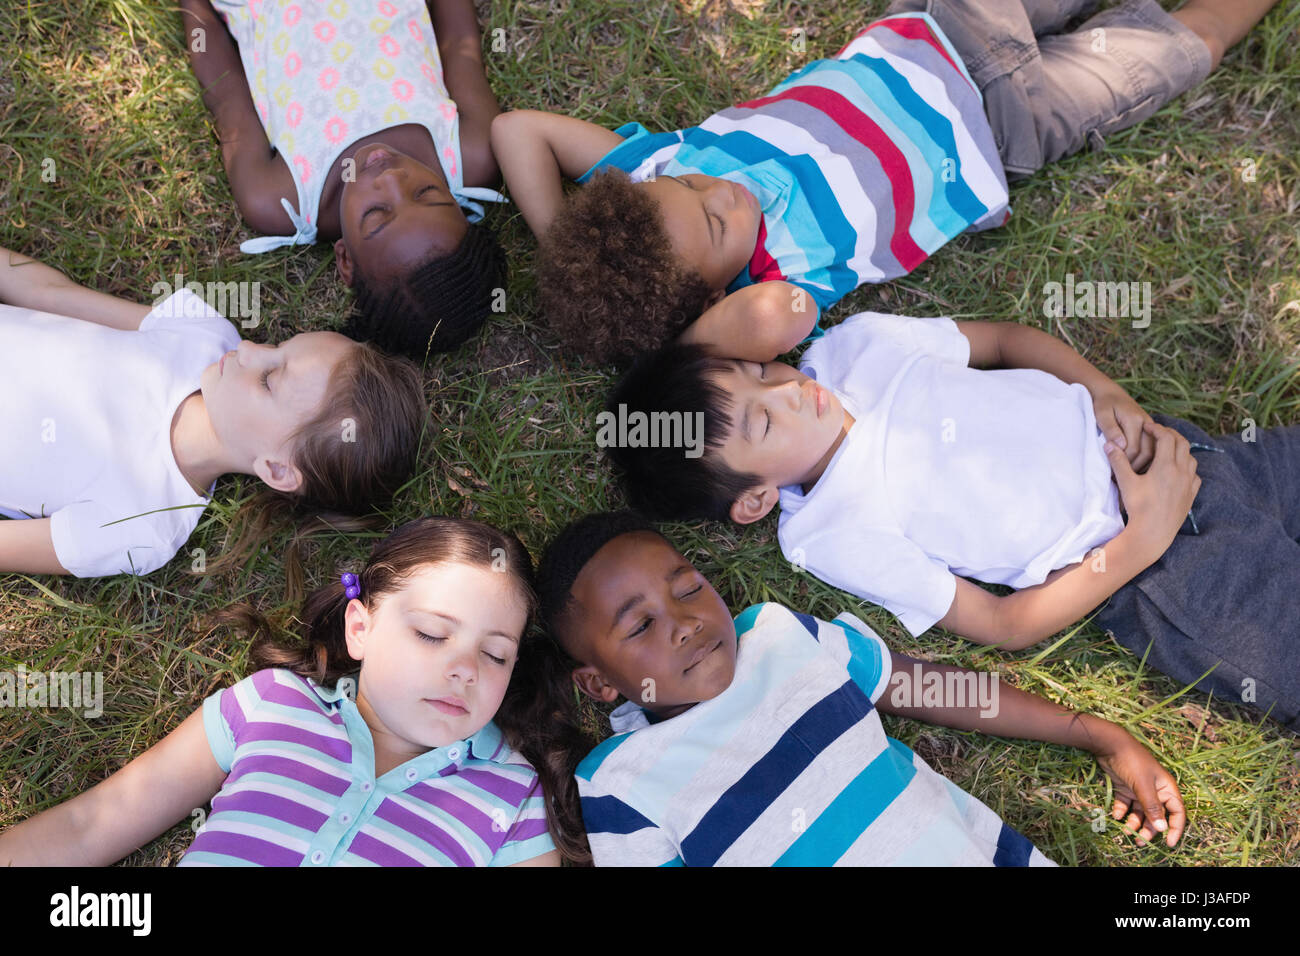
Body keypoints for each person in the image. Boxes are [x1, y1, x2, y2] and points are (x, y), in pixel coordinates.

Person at [605, 312, 1300, 730]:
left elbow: (1003, 339)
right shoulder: (830, 531)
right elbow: (1003, 626)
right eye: (762, 420)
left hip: (1177, 449)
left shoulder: (856, 349)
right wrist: (1142, 541)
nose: (787, 390)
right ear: (754, 499)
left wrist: (1108, 393)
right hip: (1166, 572)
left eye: (758, 370)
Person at [492, 0, 1278, 365]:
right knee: (1177, 50)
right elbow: (766, 327)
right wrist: (673, 345)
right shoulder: (780, 284)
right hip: (1013, 127)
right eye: (719, 226)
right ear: (710, 299)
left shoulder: (652, 174)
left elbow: (515, 130)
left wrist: (572, 244)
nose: (723, 195)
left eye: (695, 186)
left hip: (945, 24)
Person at [530, 511, 1185, 866]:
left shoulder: (781, 639)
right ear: (598, 683)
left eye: (688, 588)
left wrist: (1092, 731)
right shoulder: (619, 781)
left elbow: (928, 689)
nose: (687, 623)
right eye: (641, 624)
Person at [0, 517, 561, 867]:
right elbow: (89, 824)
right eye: (432, 634)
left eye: (495, 654)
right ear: (360, 628)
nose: (465, 669)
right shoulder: (274, 703)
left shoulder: (510, 797)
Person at [0, 245, 425, 578]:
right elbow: (53, 297)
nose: (250, 350)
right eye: (277, 347)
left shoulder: (144, 525)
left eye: (268, 379)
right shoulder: (205, 336)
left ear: (276, 470)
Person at [178, 0, 507, 357]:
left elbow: (228, 98)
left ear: (345, 259)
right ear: (461, 212)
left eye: (377, 213)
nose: (392, 178)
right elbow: (461, 41)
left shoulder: (280, 199)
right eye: (427, 192)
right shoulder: (471, 152)